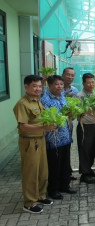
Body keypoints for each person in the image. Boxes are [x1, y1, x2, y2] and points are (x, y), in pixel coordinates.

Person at [13, 75, 55, 214]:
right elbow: (23, 126)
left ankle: (40, 196)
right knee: (31, 172)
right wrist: (44, 128)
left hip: (40, 139)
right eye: (34, 86)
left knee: (43, 171)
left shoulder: (37, 101)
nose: (38, 89)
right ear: (26, 87)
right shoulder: (22, 104)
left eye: (39, 86)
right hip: (29, 142)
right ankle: (29, 203)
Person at [41, 75, 76, 200]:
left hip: (65, 136)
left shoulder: (62, 97)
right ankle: (53, 189)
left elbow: (66, 114)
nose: (59, 87)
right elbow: (46, 118)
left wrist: (70, 113)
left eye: (61, 84)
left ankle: (64, 186)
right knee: (54, 165)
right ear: (49, 85)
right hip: (53, 139)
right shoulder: (45, 100)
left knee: (65, 164)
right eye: (56, 84)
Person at [76, 73, 95, 184]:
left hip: (93, 126)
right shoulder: (80, 96)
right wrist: (82, 111)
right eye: (88, 82)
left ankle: (88, 170)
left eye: (92, 82)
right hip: (84, 126)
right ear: (84, 83)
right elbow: (77, 113)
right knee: (84, 150)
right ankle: (84, 174)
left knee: (92, 149)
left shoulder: (93, 94)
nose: (91, 84)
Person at [61, 67, 79, 180]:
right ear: (63, 75)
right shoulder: (57, 88)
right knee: (60, 149)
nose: (70, 77)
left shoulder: (75, 90)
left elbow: (76, 107)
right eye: (68, 74)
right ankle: (62, 173)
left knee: (68, 147)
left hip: (69, 123)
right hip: (57, 124)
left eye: (72, 75)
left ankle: (67, 171)